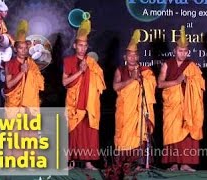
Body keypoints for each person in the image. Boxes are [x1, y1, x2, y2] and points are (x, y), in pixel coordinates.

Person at [158, 25, 205, 172]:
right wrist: (177, 81)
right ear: (175, 50)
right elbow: (160, 83)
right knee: (172, 132)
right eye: (180, 50)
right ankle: (173, 164)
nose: (182, 54)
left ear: (188, 52)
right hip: (172, 105)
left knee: (187, 132)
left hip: (187, 106)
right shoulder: (167, 64)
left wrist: (191, 81)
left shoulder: (192, 66)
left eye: (185, 51)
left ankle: (185, 164)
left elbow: (201, 84)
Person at [63, 18, 106, 170]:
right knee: (73, 132)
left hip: (89, 103)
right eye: (80, 45)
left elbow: (100, 82)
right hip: (74, 103)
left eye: (85, 46)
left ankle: (88, 162)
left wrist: (88, 70)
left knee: (88, 132)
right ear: (75, 46)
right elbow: (65, 82)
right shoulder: (68, 61)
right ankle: (70, 161)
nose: (82, 48)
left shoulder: (92, 63)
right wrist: (80, 71)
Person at [113, 29, 156, 165]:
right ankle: (124, 163)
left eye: (135, 55)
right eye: (129, 55)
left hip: (140, 112)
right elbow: (115, 86)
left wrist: (141, 79)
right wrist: (131, 79)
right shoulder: (120, 70)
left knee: (141, 133)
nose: (132, 58)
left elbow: (152, 86)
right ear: (125, 57)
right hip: (125, 112)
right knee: (123, 135)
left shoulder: (146, 71)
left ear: (138, 56)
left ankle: (140, 163)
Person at [4, 20, 44, 118]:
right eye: (20, 48)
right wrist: (22, 72)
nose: (23, 51)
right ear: (15, 49)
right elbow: (9, 84)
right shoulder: (10, 64)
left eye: (25, 48)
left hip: (29, 103)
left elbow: (38, 81)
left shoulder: (31, 63)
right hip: (14, 104)